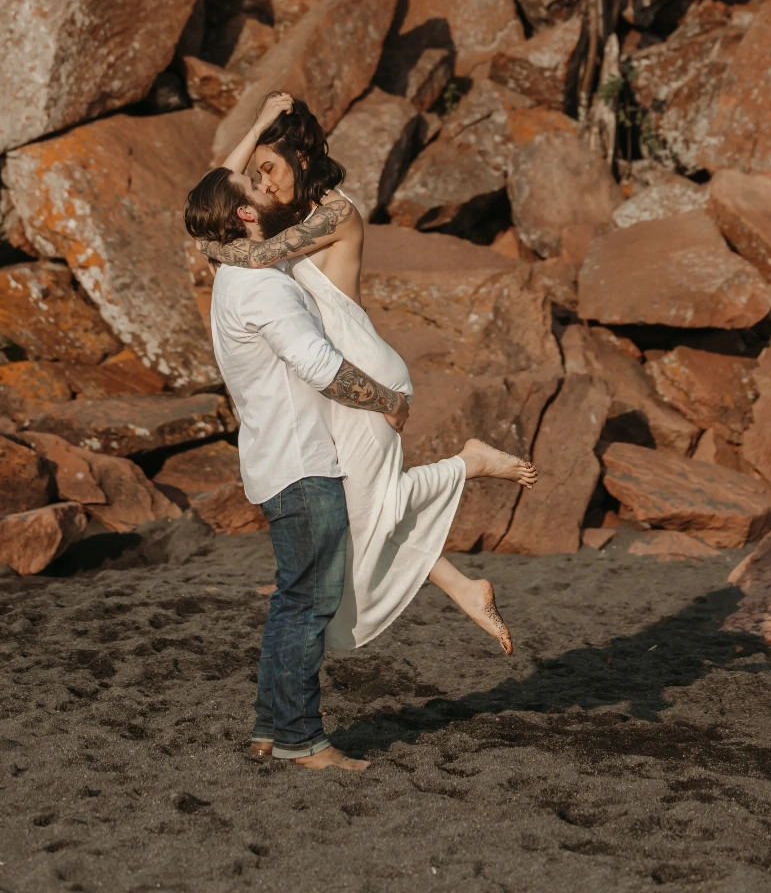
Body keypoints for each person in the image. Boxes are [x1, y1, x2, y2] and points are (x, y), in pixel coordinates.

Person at [192, 93, 537, 692]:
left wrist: (207, 238)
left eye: (269, 170)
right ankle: (461, 584)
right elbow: (224, 197)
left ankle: (468, 464)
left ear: (301, 158)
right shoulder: (282, 215)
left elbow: (240, 241)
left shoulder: (335, 214)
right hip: (341, 380)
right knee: (360, 513)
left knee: (367, 509)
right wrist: (254, 128)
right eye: (257, 179)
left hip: (364, 375)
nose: (263, 185)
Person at [186, 151, 409, 774]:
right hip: (303, 466)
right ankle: (302, 740)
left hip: (274, 459)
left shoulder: (235, 274)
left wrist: (262, 122)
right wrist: (388, 401)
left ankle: (269, 728)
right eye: (252, 184)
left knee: (292, 599)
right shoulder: (261, 285)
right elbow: (318, 365)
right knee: (309, 603)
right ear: (243, 213)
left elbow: (216, 202)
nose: (262, 183)